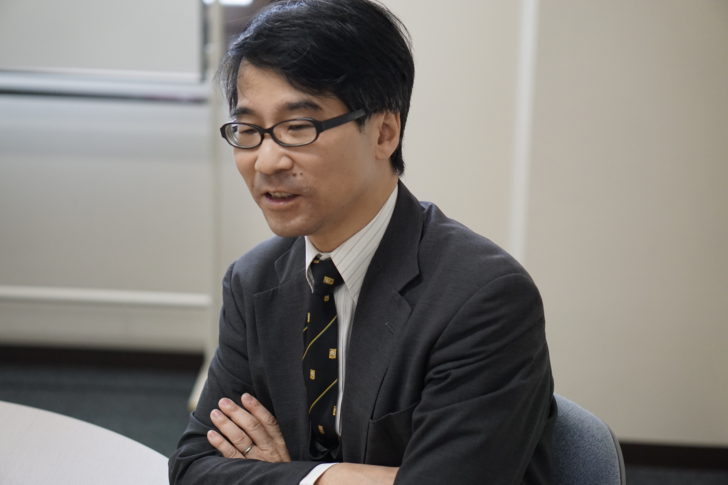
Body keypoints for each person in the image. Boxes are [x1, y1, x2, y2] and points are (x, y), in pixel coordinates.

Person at [169, 0, 555, 483]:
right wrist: (330, 478)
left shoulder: (482, 297)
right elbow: (194, 469)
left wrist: (286, 475)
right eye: (248, 130)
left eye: (298, 127)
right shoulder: (253, 280)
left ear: (384, 133)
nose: (266, 161)